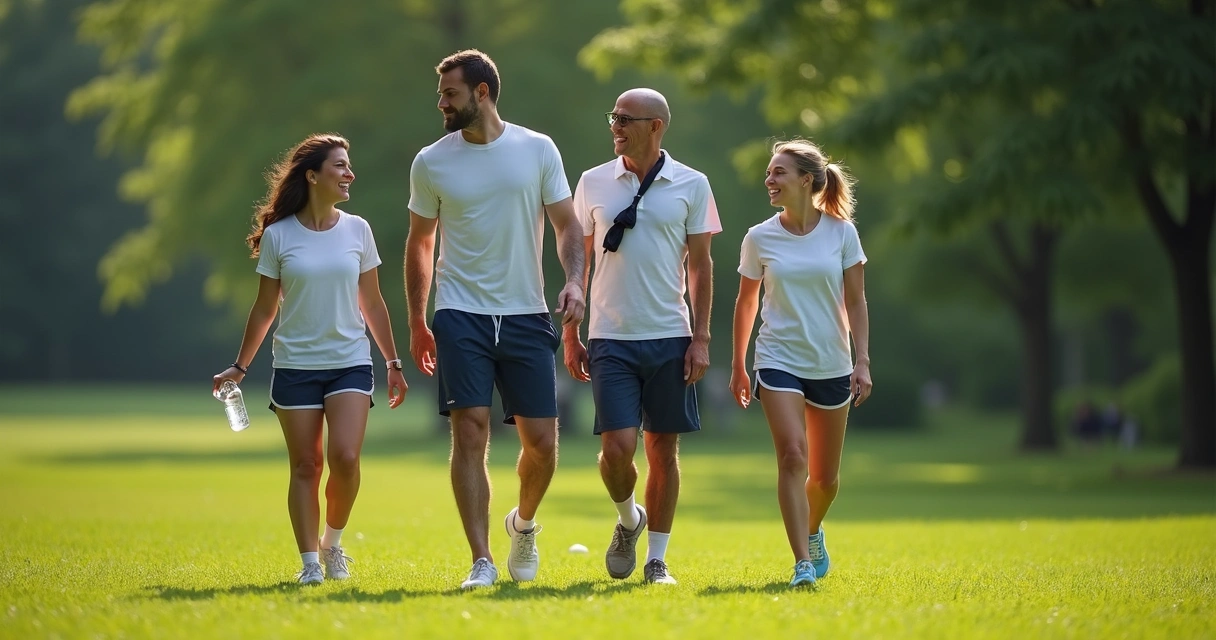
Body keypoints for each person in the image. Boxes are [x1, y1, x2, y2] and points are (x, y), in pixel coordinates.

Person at [404, 49, 585, 590]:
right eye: (441, 94)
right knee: (471, 431)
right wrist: (418, 318)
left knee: (543, 445)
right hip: (461, 314)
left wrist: (575, 281)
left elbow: (568, 227)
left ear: (482, 93)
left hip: (528, 313)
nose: (442, 103)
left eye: (450, 94)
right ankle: (481, 559)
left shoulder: (537, 149)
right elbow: (420, 243)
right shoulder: (431, 161)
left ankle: (522, 524)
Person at [212, 134, 409, 585]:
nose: (349, 174)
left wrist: (393, 363)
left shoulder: (358, 229)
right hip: (296, 366)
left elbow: (373, 304)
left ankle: (333, 544)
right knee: (306, 465)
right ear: (312, 175)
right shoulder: (280, 236)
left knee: (345, 457)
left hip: (350, 362)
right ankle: (309, 565)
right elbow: (265, 309)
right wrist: (239, 366)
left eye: (349, 165)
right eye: (340, 166)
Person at [564, 88, 720, 585]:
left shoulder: (692, 184)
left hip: (670, 337)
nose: (616, 125)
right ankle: (629, 518)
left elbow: (700, 266)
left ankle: (657, 561)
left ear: (656, 126)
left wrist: (701, 338)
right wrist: (571, 335)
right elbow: (578, 262)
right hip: (609, 337)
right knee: (616, 450)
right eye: (613, 116)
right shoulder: (591, 182)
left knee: (662, 453)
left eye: (626, 118)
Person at [728, 139, 871, 588]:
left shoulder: (842, 233)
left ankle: (812, 531)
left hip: (832, 361)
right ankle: (801, 564)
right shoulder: (759, 237)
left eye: (778, 173)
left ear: (806, 180)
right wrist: (737, 363)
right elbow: (746, 302)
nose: (769, 180)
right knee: (792, 456)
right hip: (778, 359)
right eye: (769, 173)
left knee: (825, 480)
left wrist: (862, 360)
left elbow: (856, 300)